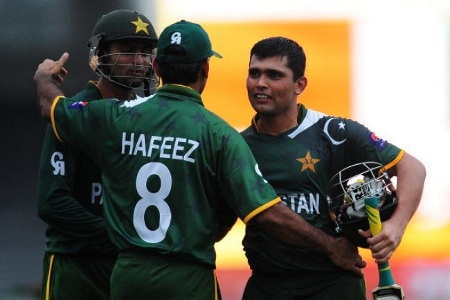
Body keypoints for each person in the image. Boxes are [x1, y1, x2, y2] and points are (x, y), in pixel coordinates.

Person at [34, 21, 367, 300]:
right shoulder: (219, 134)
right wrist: (330, 247)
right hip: (187, 275)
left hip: (128, 273)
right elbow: (268, 214)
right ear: (205, 69)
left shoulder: (115, 116)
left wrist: (45, 80)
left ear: (157, 67)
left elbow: (54, 108)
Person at [240, 36, 426, 299]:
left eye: (274, 75)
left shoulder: (336, 132)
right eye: (254, 73)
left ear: (299, 85)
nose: (261, 83)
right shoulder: (237, 145)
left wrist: (395, 227)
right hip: (267, 284)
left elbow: (412, 168)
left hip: (333, 285)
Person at [36, 9, 158, 300]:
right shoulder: (73, 112)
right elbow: (52, 202)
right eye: (127, 51)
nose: (140, 61)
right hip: (76, 266)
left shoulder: (151, 115)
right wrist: (116, 236)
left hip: (129, 266)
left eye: (145, 52)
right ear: (100, 54)